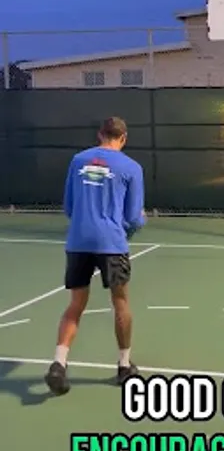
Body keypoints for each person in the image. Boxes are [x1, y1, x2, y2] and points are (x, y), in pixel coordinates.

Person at [45, 116, 146, 396]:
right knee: (120, 302)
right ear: (123, 138)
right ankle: (124, 366)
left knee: (76, 304)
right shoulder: (131, 167)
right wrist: (139, 222)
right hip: (111, 243)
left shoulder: (78, 160)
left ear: (100, 134)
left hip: (78, 241)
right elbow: (133, 217)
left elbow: (68, 207)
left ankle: (58, 364)